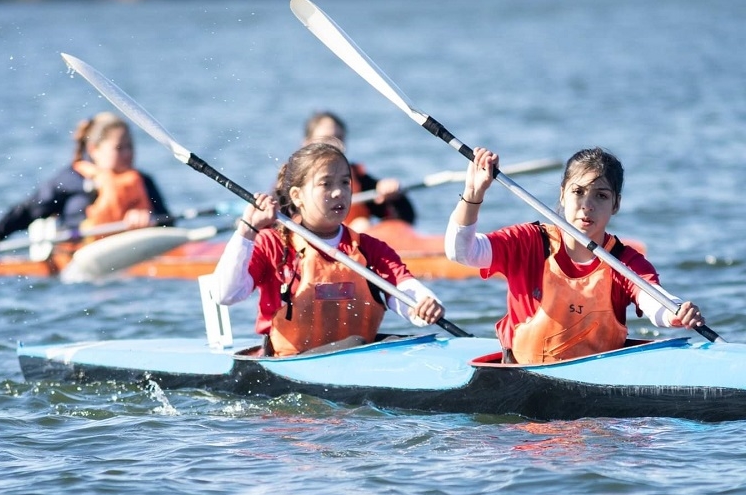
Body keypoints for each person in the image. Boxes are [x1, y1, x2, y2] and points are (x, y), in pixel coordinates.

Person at [445, 146, 705, 365]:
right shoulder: (527, 242)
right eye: (578, 192)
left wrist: (676, 312)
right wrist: (473, 194)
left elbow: (654, 301)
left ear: (616, 204)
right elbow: (461, 252)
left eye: (601, 196)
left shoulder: (624, 262)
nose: (587, 205)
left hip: (597, 403)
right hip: (522, 382)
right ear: (562, 194)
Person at [210, 142, 444, 357]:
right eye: (325, 183)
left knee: (373, 344)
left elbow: (406, 290)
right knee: (356, 344)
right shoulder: (273, 245)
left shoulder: (370, 249)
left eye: (345, 182)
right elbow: (225, 294)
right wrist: (247, 230)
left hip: (357, 358)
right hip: (288, 365)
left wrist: (425, 304)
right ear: (297, 196)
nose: (338, 192)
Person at [0, 111, 172, 256]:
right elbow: (29, 211)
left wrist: (152, 219)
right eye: (119, 148)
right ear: (93, 150)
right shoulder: (70, 180)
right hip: (80, 255)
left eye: (130, 146)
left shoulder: (144, 181)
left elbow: (169, 224)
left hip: (139, 252)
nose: (128, 154)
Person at [302, 111, 416, 232]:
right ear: (307, 143)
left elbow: (406, 218)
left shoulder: (357, 178)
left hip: (348, 243)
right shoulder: (294, 179)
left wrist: (394, 198)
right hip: (309, 240)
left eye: (339, 138)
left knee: (362, 225)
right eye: (326, 139)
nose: (334, 145)